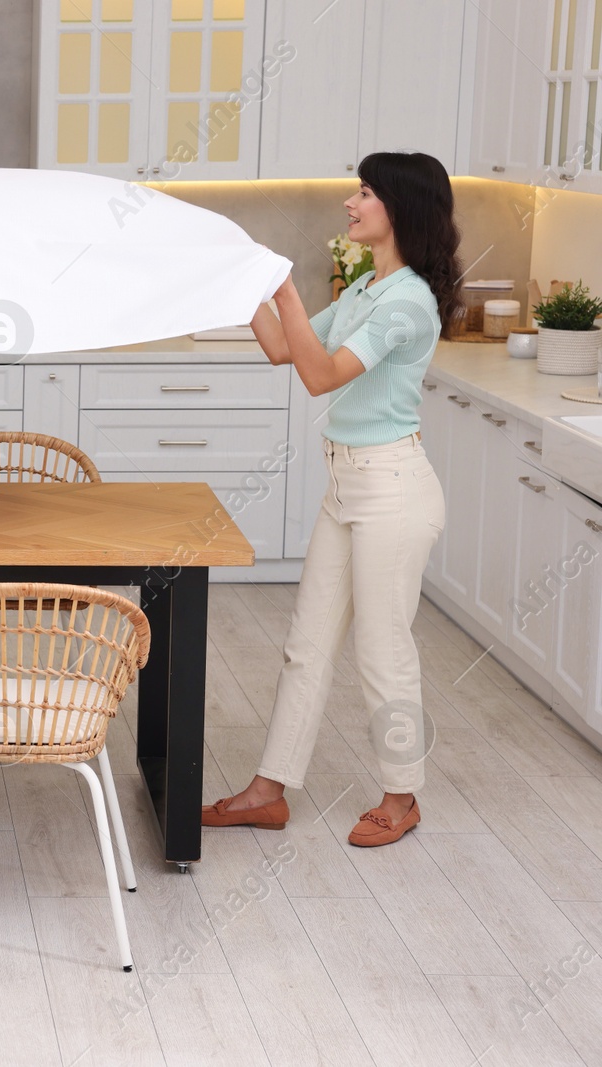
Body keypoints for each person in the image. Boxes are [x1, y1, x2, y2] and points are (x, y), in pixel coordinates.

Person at [202, 152, 458, 847]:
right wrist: (242, 284)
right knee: (306, 645)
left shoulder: (406, 302)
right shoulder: (367, 289)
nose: (351, 203)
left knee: (382, 648)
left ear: (398, 209)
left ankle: (402, 795)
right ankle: (268, 790)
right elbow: (286, 348)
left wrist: (282, 282)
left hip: (393, 491)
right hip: (348, 486)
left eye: (365, 192)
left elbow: (320, 378)